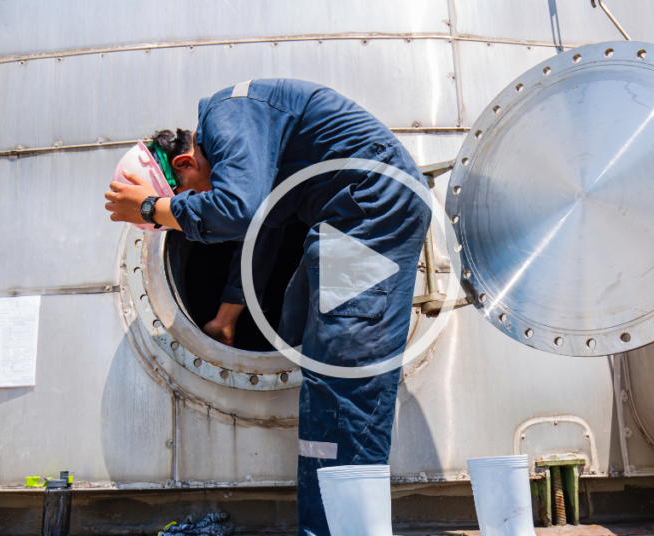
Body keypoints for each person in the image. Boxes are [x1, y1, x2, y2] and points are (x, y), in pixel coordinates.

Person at [104, 78, 431, 536]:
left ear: (184, 161)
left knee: (347, 375)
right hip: (344, 222)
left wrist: (151, 209)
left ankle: (348, 528)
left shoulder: (227, 115)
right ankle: (321, 523)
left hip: (370, 214)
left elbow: (235, 211)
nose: (195, 208)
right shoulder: (251, 142)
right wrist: (227, 315)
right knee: (306, 345)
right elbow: (258, 233)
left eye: (188, 195)